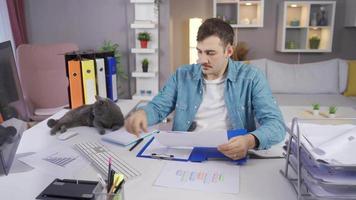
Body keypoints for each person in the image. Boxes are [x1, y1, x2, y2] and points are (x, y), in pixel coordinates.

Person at [125, 18, 285, 160]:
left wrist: (249, 140)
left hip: (231, 156)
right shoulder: (182, 75)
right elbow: (158, 107)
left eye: (210, 53)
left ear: (228, 51)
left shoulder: (252, 77)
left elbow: (276, 125)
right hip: (186, 153)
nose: (202, 60)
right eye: (199, 52)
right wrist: (143, 113)